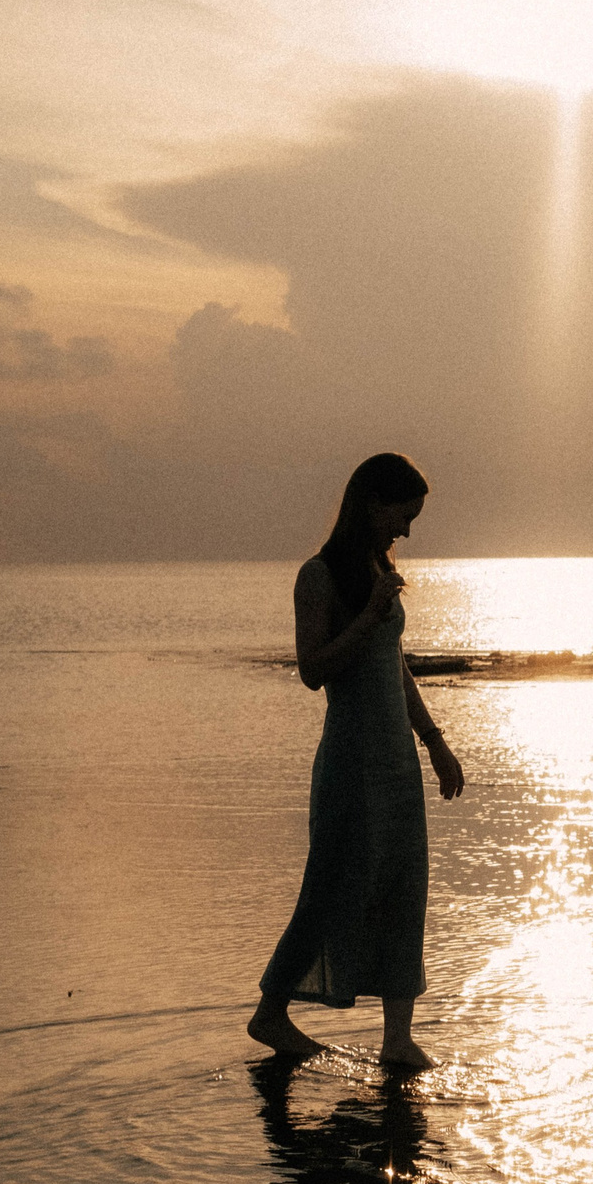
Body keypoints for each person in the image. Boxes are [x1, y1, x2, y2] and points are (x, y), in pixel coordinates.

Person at [249, 452, 465, 1069]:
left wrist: (435, 741)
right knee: (330, 888)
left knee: (405, 885)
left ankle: (397, 1037)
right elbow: (312, 670)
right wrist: (368, 616)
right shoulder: (318, 577)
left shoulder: (378, 567)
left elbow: (392, 666)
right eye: (404, 514)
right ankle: (271, 1012)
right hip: (350, 761)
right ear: (372, 504)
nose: (407, 529)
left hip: (395, 760)